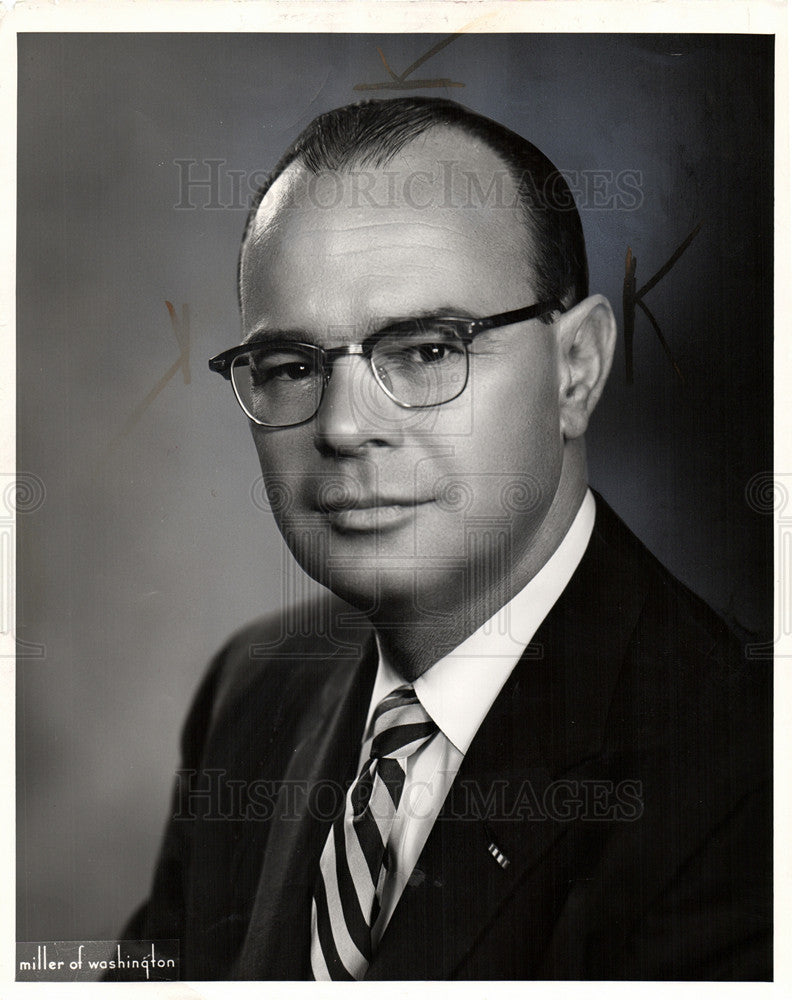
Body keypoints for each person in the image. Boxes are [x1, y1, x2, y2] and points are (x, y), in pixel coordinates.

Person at [113, 97, 771, 981]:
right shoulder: (252, 692)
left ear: (575, 370)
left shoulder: (745, 776)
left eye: (426, 350)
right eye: (293, 367)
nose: (345, 428)